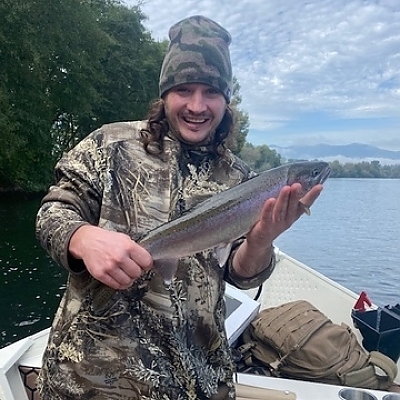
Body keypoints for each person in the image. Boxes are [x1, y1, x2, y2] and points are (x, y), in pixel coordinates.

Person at [36, 15, 323, 400]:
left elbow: (241, 275)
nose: (197, 105)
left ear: (226, 100)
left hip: (195, 382)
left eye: (211, 92)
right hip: (91, 382)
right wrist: (83, 238)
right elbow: (53, 212)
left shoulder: (242, 180)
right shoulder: (110, 145)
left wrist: (261, 241)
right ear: (165, 94)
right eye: (184, 89)